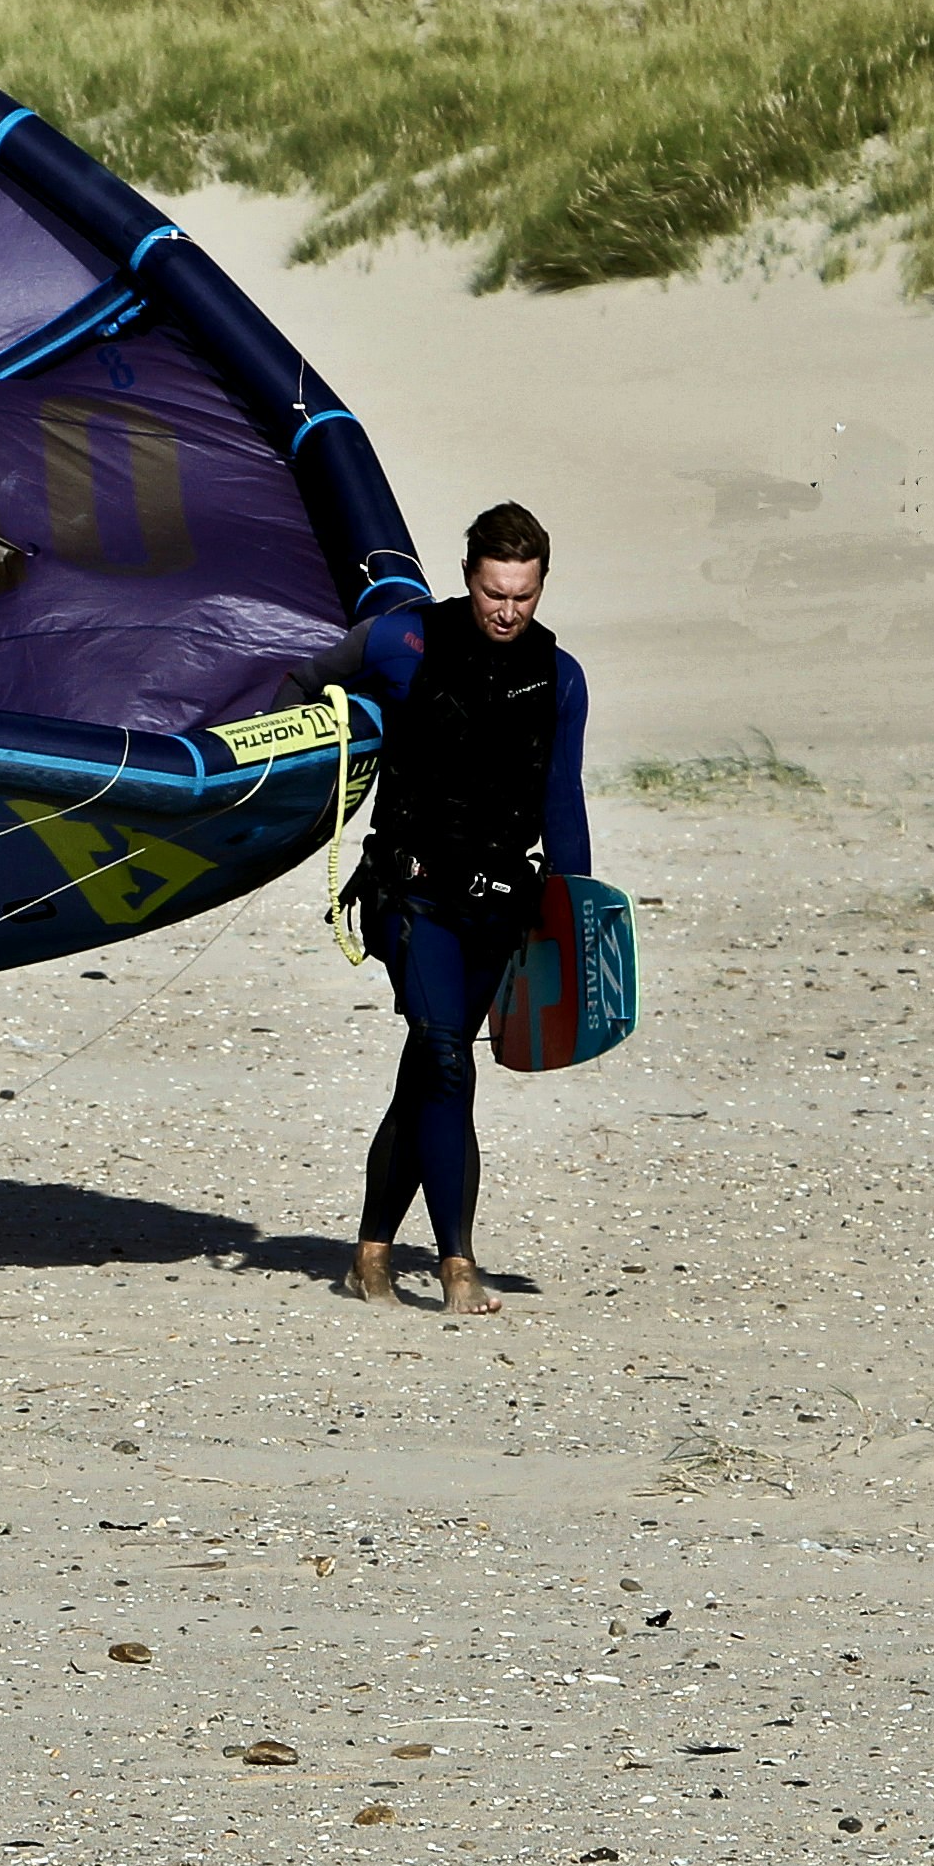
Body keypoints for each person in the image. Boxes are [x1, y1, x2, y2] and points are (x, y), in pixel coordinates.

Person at [337, 501, 590, 1316]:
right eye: (493, 593)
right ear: (468, 578)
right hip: (409, 896)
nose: (506, 611)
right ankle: (456, 1264)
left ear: (541, 584)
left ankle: (371, 1252)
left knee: (428, 1067)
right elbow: (301, 687)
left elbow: (562, 803)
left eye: (522, 595)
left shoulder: (560, 676)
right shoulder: (403, 641)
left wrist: (574, 924)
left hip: (495, 909)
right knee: (447, 1056)